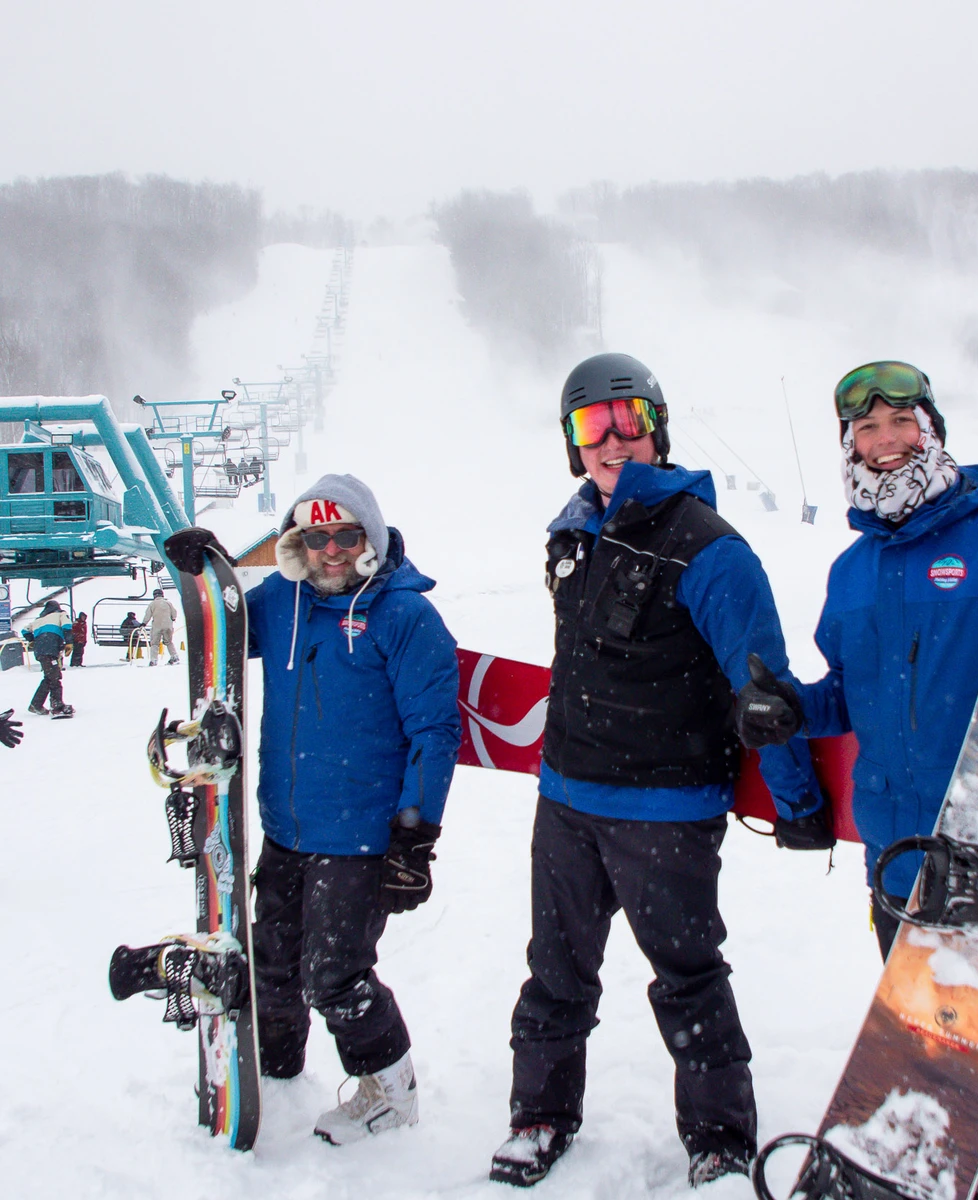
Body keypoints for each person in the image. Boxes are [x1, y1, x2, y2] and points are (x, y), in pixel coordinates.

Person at [739, 361, 978, 1200]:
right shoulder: (853, 571)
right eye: (865, 432)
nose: (884, 443)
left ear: (931, 430)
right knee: (934, 1033)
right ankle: (974, 1176)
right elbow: (849, 689)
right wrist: (792, 709)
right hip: (897, 855)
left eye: (900, 425)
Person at [489, 353, 822, 1190]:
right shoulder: (570, 532)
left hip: (668, 808)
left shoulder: (711, 549)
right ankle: (540, 1115)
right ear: (572, 443)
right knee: (556, 970)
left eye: (628, 419)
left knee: (687, 975)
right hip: (567, 798)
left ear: (658, 426)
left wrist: (798, 801)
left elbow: (765, 689)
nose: (612, 441)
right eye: (591, 427)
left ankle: (718, 1138)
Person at [179, 475, 461, 1145]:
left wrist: (414, 835)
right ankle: (277, 1072)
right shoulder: (283, 599)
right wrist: (198, 572)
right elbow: (223, 629)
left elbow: (434, 732)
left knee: (333, 975)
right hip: (285, 827)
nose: (331, 551)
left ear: (369, 536)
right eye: (315, 537)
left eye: (344, 535)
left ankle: (390, 1091)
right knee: (272, 960)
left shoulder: (405, 616)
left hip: (359, 836)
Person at [26, 600, 74, 717]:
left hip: (40, 651)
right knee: (54, 676)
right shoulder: (60, 614)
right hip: (51, 648)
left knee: (50, 676)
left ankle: (36, 704)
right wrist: (69, 642)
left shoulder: (38, 620)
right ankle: (56, 705)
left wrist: (32, 640)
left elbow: (24, 630)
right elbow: (67, 626)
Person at [141, 589, 180, 665]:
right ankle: (174, 656)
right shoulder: (168, 603)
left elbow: (148, 615)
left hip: (157, 626)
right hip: (168, 625)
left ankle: (154, 660)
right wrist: (173, 618)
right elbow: (174, 613)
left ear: (154, 595)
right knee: (169, 642)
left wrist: (144, 623)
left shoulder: (152, 604)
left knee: (155, 643)